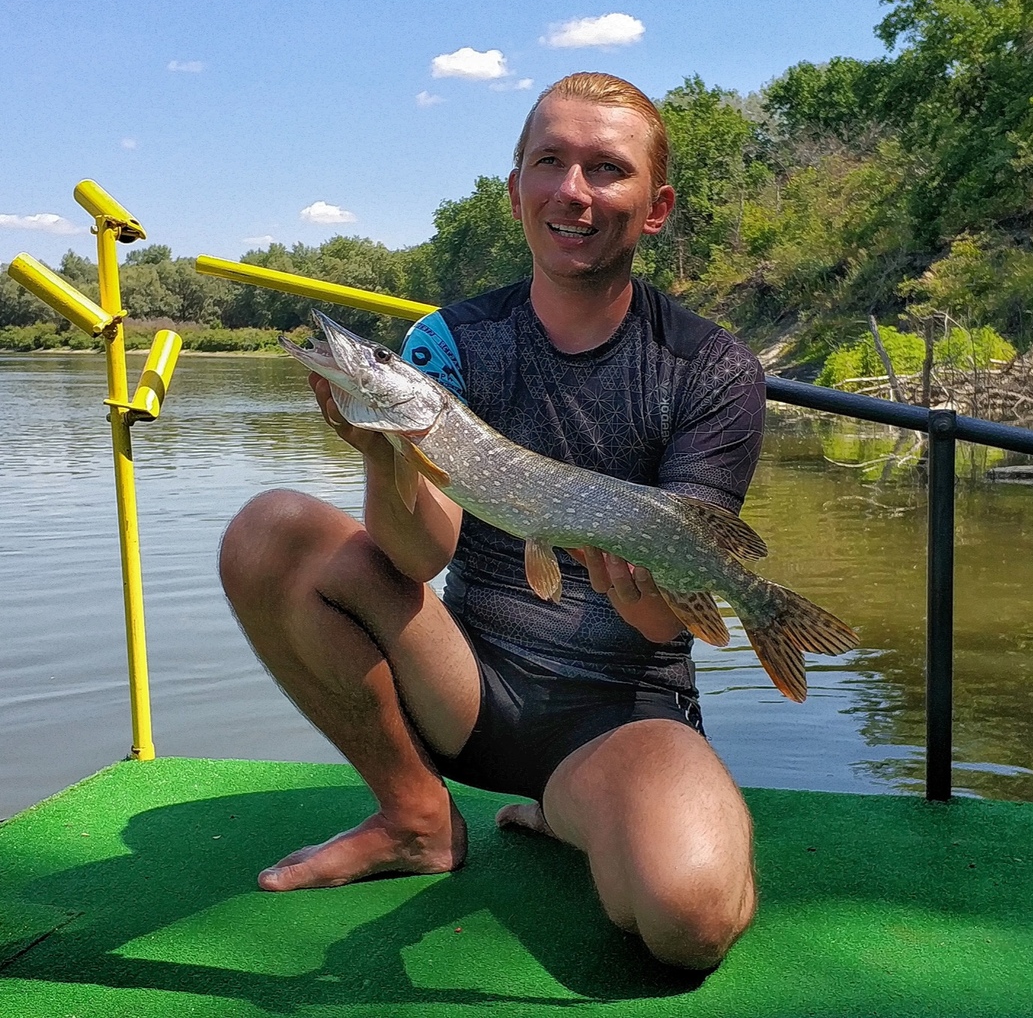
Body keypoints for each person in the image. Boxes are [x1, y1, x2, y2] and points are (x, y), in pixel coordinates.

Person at [219, 72, 766, 971]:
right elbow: (420, 552)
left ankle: (577, 814)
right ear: (516, 190)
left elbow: (670, 619)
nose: (574, 192)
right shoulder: (449, 342)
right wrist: (380, 452)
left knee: (687, 921)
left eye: (607, 169)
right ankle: (415, 817)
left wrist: (634, 584)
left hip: (621, 714)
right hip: (465, 681)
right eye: (549, 162)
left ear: (656, 206)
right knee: (272, 526)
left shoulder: (711, 369)